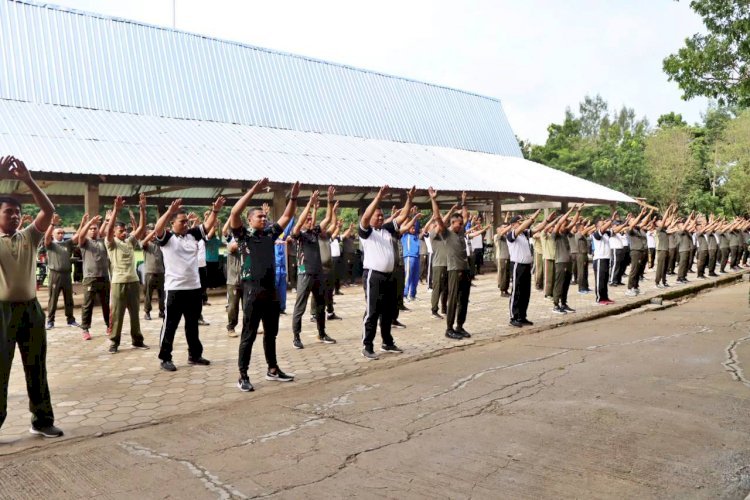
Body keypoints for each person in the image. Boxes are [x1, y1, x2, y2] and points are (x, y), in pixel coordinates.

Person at [0, 156, 63, 438]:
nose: (14, 216)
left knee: (36, 364)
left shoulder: (28, 236)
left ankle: (42, 419)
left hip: (31, 310)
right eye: (7, 212)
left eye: (17, 212)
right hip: (2, 313)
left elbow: (48, 211)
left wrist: (28, 181)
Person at [230, 178, 300, 391]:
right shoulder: (243, 236)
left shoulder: (270, 234)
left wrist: (293, 197)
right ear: (249, 220)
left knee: (271, 333)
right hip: (252, 291)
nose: (264, 217)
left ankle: (272, 369)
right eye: (259, 216)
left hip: (271, 292)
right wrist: (253, 190)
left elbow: (287, 216)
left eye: (265, 215)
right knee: (248, 335)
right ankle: (243, 375)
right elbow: (234, 213)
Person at [147, 196, 225, 371]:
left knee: (192, 325)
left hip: (194, 289)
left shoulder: (193, 235)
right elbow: (158, 228)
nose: (185, 224)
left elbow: (207, 225)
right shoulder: (167, 239)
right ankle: (165, 358)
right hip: (175, 290)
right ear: (172, 223)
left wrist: (215, 210)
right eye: (182, 222)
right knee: (170, 325)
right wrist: (169, 212)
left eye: (186, 222)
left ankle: (195, 355)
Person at [358, 184, 413, 359]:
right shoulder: (366, 231)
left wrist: (409, 199)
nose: (381, 217)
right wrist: (378, 198)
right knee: (372, 311)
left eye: (382, 215)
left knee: (388, 311)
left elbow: (403, 216)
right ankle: (367, 345)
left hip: (389, 276)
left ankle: (387, 342)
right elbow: (366, 216)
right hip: (373, 276)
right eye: (378, 215)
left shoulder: (388, 229)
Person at [291, 187, 337, 349]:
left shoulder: (315, 233)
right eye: (307, 219)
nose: (310, 221)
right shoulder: (298, 234)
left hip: (318, 274)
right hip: (305, 273)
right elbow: (297, 226)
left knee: (320, 306)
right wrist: (310, 205)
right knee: (300, 307)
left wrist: (330, 201)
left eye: (311, 219)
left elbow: (329, 218)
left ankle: (321, 333)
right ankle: (296, 336)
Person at [105, 195, 149, 354]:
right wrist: (116, 211)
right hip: (118, 283)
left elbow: (142, 228)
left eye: (125, 231)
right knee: (117, 314)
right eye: (121, 231)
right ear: (116, 232)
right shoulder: (111, 243)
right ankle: (114, 342)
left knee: (135, 314)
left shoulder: (130, 242)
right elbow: (109, 230)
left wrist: (143, 210)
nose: (124, 233)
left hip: (133, 281)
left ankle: (137, 340)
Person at [75, 212, 110, 341]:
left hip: (104, 277)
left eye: (95, 228)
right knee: (87, 304)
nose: (93, 230)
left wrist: (106, 221)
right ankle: (85, 328)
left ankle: (109, 326)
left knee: (106, 304)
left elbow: (106, 232)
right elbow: (81, 235)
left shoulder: (102, 241)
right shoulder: (84, 243)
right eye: (91, 229)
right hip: (90, 278)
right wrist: (88, 223)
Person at [506, 209, 543, 327]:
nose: (522, 223)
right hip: (517, 265)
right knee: (516, 291)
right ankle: (514, 317)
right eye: (519, 221)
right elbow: (522, 227)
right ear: (513, 224)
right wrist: (532, 218)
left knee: (525, 292)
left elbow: (537, 229)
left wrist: (547, 221)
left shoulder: (524, 234)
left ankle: (522, 316)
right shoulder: (511, 234)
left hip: (526, 266)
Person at [43, 213, 79, 329]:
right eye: (58, 233)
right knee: (53, 299)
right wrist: (52, 224)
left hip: (67, 275)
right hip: (55, 274)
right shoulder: (51, 245)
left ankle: (70, 320)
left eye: (62, 233)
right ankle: (50, 321)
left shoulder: (67, 243)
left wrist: (84, 223)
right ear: (53, 234)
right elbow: (46, 238)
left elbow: (78, 236)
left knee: (69, 298)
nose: (61, 234)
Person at [141, 224, 165, 321]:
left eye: (154, 232)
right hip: (149, 272)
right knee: (148, 294)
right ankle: (147, 312)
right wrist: (152, 233)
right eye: (150, 232)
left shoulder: (160, 244)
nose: (153, 235)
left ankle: (162, 311)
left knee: (162, 294)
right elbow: (144, 242)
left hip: (160, 272)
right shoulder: (146, 244)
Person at [591, 213, 617, 305]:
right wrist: (611, 220)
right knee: (599, 279)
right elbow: (602, 229)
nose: (604, 225)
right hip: (599, 259)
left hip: (606, 258)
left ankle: (605, 297)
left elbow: (616, 230)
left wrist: (626, 224)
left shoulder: (606, 233)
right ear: (597, 226)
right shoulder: (596, 234)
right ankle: (599, 298)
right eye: (602, 224)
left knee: (605, 279)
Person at [402, 217, 421, 302]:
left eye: (414, 228)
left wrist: (416, 217)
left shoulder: (416, 236)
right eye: (412, 228)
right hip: (409, 257)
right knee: (408, 277)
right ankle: (404, 295)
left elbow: (417, 226)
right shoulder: (405, 235)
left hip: (416, 257)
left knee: (415, 277)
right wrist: (411, 215)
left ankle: (412, 295)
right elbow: (404, 225)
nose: (414, 229)